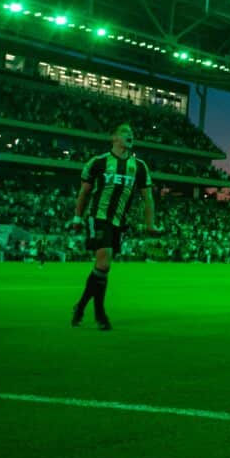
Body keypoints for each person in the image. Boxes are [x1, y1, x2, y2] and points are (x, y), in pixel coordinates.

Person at [70, 123, 156, 331]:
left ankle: (80, 306)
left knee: (102, 267)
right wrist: (77, 218)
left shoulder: (139, 166)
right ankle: (100, 314)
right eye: (125, 132)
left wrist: (150, 223)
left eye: (132, 133)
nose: (131, 135)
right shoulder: (98, 162)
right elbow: (84, 193)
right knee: (104, 260)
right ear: (114, 138)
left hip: (119, 222)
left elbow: (148, 197)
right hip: (98, 217)